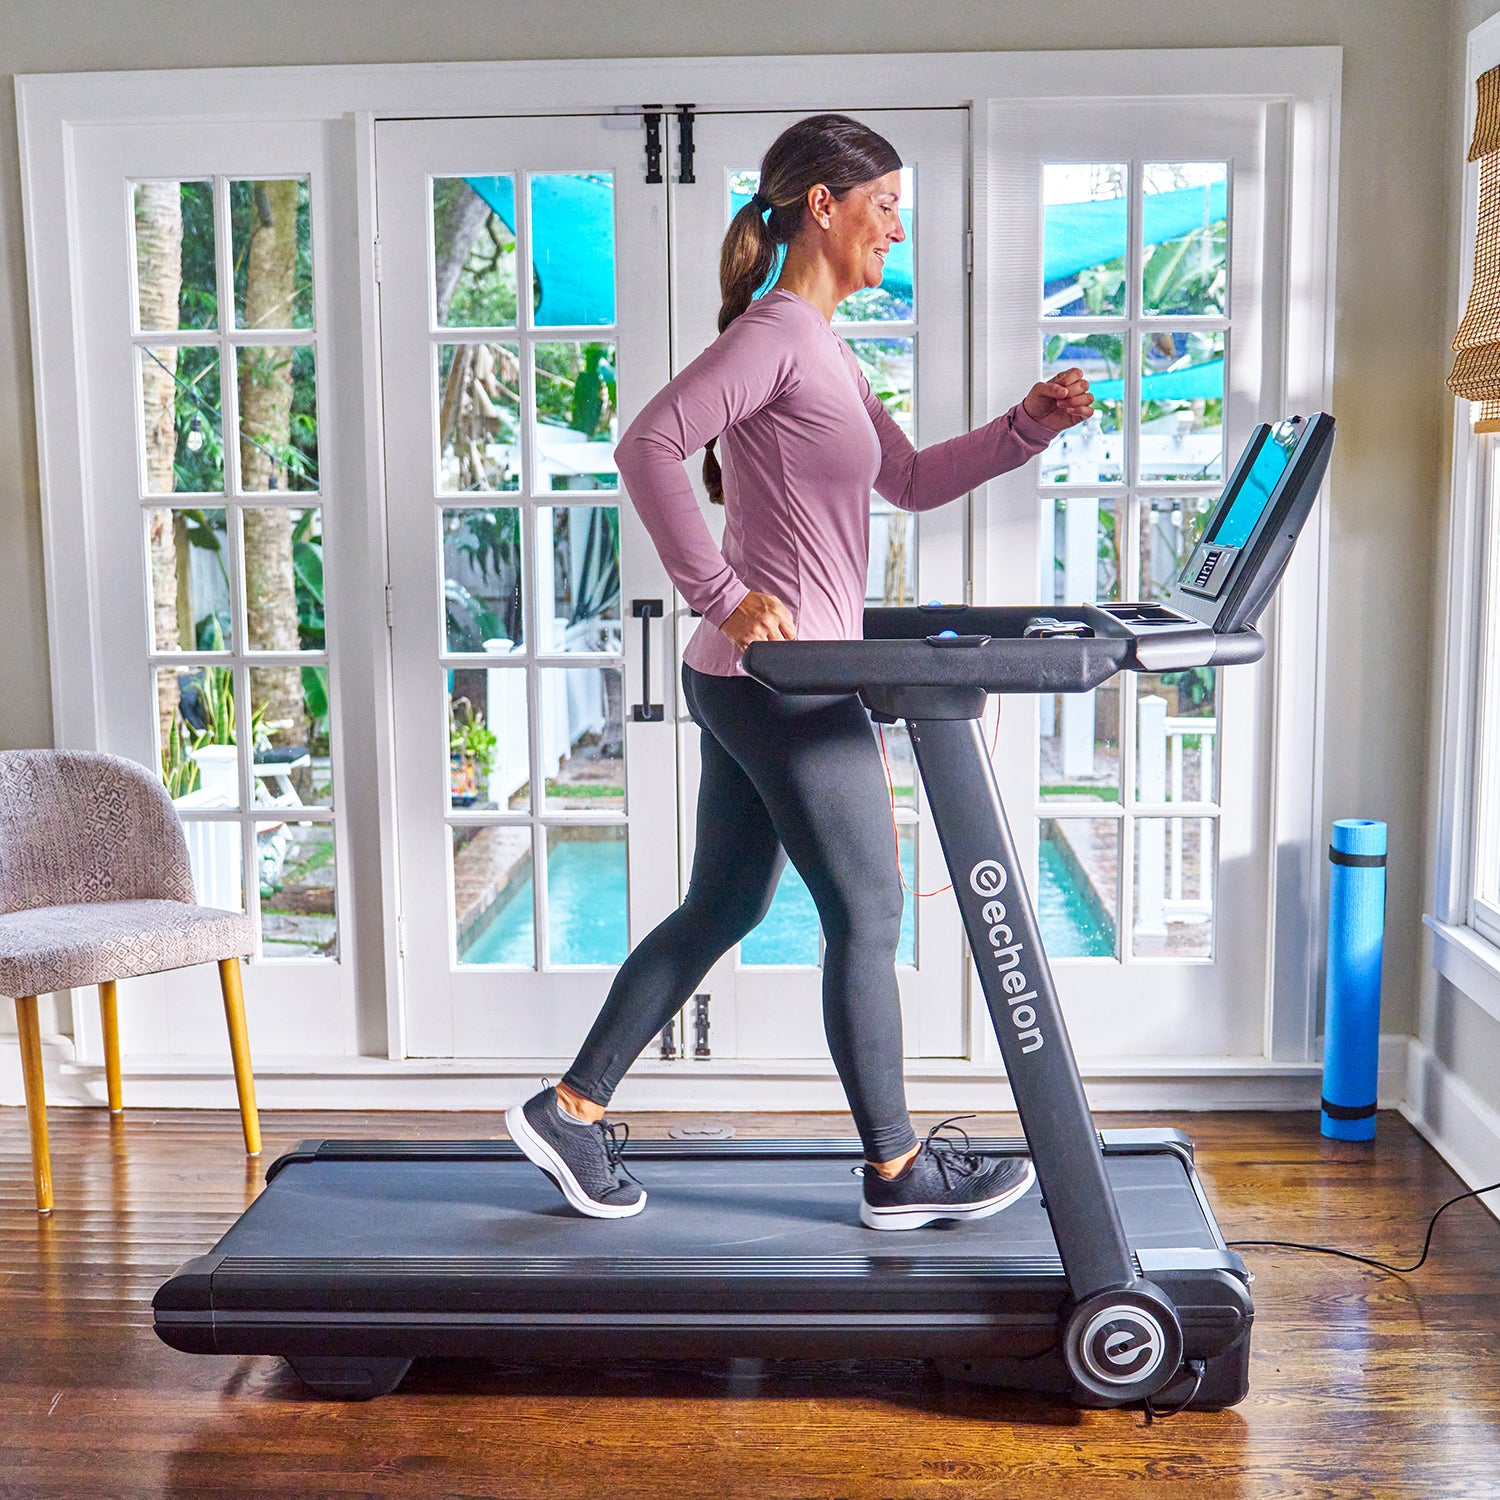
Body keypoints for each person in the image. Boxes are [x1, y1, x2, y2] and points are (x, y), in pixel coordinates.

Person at [507, 113, 1093, 1229]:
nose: (897, 226)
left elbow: (908, 480)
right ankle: (896, 1171)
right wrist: (720, 592)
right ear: (822, 206)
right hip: (781, 677)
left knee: (725, 902)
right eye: (885, 205)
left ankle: (570, 1110)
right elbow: (647, 444)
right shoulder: (776, 333)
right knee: (868, 912)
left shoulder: (823, 346)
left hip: (759, 677)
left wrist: (1025, 427)